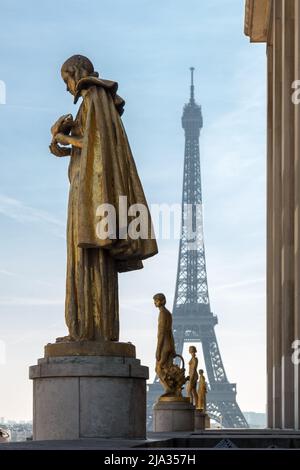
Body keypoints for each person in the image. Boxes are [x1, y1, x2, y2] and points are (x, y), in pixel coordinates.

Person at [50, 55, 158, 342]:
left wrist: (65, 137)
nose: (66, 87)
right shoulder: (96, 100)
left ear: (76, 74)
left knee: (88, 258)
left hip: (90, 197)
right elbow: (90, 149)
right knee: (90, 258)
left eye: (65, 80)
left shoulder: (95, 96)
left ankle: (86, 331)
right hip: (87, 190)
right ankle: (92, 329)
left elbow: (93, 144)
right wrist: (59, 143)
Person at [154, 293, 176, 395]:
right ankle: (173, 388)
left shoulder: (162, 313)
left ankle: (168, 388)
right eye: (154, 301)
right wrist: (173, 347)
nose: (155, 303)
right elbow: (170, 332)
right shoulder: (168, 313)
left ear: (162, 301)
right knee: (168, 369)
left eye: (156, 300)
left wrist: (158, 349)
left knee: (158, 368)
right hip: (169, 344)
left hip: (164, 345)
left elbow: (161, 332)